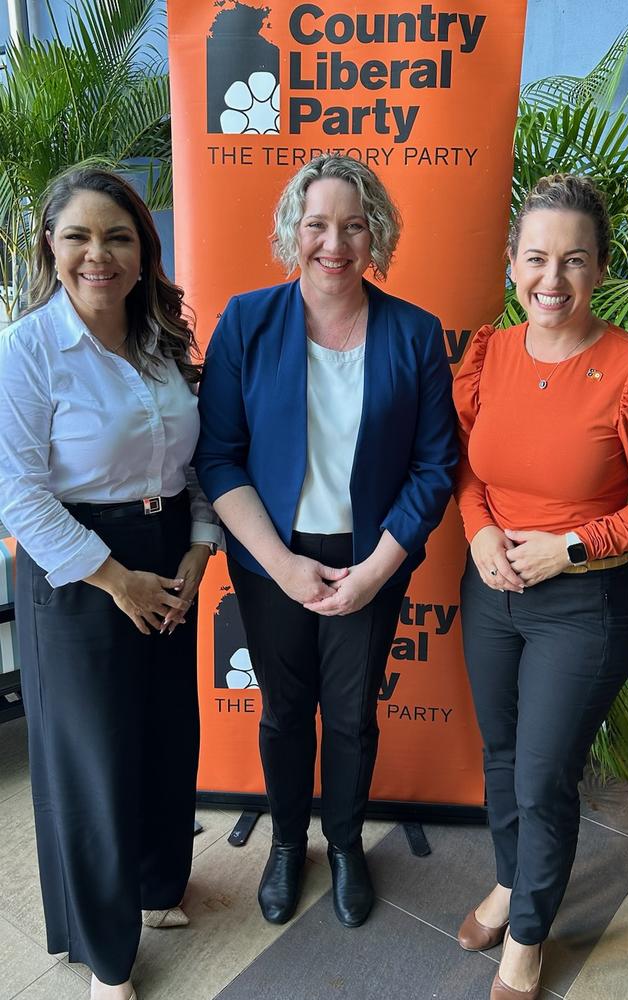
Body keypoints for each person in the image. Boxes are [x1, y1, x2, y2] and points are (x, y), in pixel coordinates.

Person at [195, 154, 457, 929]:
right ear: (293, 232)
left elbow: (435, 465)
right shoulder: (247, 321)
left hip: (372, 560)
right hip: (272, 555)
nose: (334, 242)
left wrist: (377, 570)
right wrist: (278, 565)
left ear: (376, 232)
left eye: (352, 224)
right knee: (282, 712)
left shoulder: (413, 332)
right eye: (317, 225)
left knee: (350, 716)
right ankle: (286, 843)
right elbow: (218, 456)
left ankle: (343, 843)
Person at [0, 167, 222, 1000]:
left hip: (168, 546)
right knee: (94, 758)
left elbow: (195, 459)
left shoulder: (164, 336)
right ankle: (104, 957)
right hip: (80, 565)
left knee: (167, 730)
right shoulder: (27, 350)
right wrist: (118, 579)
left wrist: (199, 550)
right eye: (79, 236)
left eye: (119, 236)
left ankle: (161, 887)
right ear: (51, 247)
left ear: (143, 250)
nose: (100, 254)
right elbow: (17, 490)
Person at [453, 173, 628, 1000]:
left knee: (542, 775)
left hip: (584, 607)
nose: (552, 279)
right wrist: (481, 531)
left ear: (601, 267)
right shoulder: (487, 355)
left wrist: (571, 546)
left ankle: (529, 933)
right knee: (500, 758)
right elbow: (464, 468)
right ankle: (509, 881)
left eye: (574, 260)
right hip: (489, 591)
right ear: (510, 264)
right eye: (536, 258)